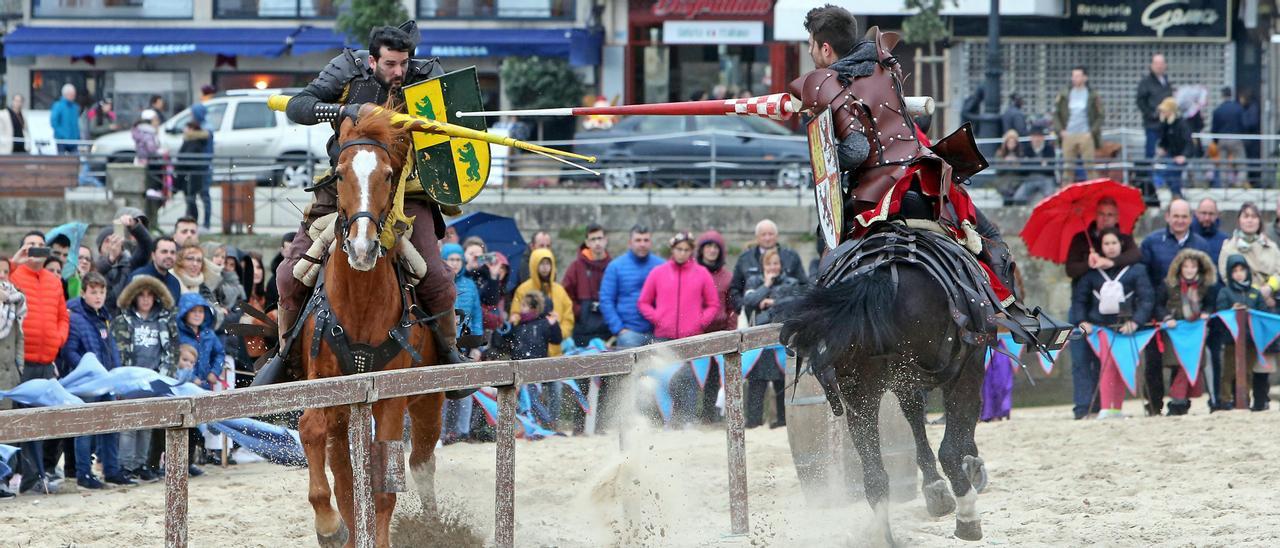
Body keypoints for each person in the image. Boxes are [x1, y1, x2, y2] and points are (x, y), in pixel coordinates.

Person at [793, 5, 1056, 343]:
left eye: (812, 45)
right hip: (927, 180)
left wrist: (825, 162)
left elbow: (857, 150)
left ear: (825, 48)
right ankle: (1013, 311)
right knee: (988, 236)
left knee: (827, 243)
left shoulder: (829, 82)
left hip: (877, 197)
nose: (812, 54)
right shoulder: (884, 63)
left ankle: (822, 330)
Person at [272, 22, 468, 386]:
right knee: (288, 276)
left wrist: (434, 124)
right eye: (391, 64)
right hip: (344, 189)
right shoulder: (347, 69)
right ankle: (287, 357)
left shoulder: (427, 78)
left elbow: (457, 126)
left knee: (438, 279)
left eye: (403, 63)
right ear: (373, 59)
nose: (399, 72)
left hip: (407, 194)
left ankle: (448, 355)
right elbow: (298, 106)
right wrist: (345, 111)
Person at [60, 272, 134, 488]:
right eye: (93, 292)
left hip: (108, 380)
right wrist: (87, 369)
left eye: (102, 292)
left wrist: (116, 373)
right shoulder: (75, 317)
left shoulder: (105, 316)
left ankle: (111, 469)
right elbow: (69, 351)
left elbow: (111, 349)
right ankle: (84, 473)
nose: (98, 296)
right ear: (83, 293)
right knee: (85, 428)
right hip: (87, 384)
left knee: (111, 425)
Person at [9, 232, 70, 494]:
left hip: (47, 360)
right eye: (30, 245)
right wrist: (15, 262)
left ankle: (44, 472)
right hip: (22, 362)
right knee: (23, 422)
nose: (35, 249)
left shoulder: (53, 281)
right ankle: (30, 478)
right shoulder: (13, 275)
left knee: (49, 420)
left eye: (39, 245)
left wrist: (58, 338)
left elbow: (62, 316)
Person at [638, 232, 719, 425]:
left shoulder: (702, 274)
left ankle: (687, 420)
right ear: (672, 250)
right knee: (661, 378)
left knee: (689, 379)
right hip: (663, 337)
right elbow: (644, 302)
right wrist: (658, 318)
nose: (682, 253)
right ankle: (662, 419)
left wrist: (700, 322)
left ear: (691, 251)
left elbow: (713, 304)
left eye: (686, 250)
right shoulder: (658, 273)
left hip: (691, 338)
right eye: (678, 249)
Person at [1139, 198, 1211, 415]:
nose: (1180, 220)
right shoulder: (1151, 242)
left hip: (1189, 315)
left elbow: (1208, 281)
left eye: (1184, 216)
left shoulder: (1200, 244)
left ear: (1190, 218)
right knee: (1154, 362)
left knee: (1183, 361)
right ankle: (1154, 405)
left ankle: (1179, 404)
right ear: (1167, 217)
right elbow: (1144, 277)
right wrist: (1153, 309)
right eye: (1176, 216)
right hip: (1157, 311)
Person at [1073, 228, 1154, 419]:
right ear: (1100, 247)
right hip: (1101, 328)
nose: (1110, 247)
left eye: (1114, 243)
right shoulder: (1091, 274)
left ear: (1121, 245)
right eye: (1106, 244)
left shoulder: (1137, 270)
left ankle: (1116, 408)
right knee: (1107, 365)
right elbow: (1079, 300)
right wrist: (1082, 321)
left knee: (1120, 366)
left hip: (1127, 328)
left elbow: (1147, 299)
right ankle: (1106, 407)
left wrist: (1136, 322)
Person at [111, 275, 177, 481]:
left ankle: (141, 465)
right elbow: (117, 353)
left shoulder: (164, 321)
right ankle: (126, 466)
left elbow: (171, 351)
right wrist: (119, 384)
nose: (146, 299)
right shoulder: (123, 321)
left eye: (150, 295)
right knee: (128, 426)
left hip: (154, 381)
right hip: (130, 380)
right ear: (134, 297)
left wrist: (164, 380)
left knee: (147, 426)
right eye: (141, 295)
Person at [510, 247, 574, 428]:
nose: (545, 268)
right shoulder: (523, 289)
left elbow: (568, 318)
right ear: (534, 265)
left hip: (555, 349)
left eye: (548, 264)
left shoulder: (560, 291)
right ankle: (534, 422)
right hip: (529, 354)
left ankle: (551, 421)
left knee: (556, 386)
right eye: (541, 264)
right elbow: (515, 316)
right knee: (529, 390)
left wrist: (560, 331)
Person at [741, 249, 801, 428]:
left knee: (781, 382)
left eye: (776, 263)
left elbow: (794, 302)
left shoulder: (791, 282)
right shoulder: (754, 281)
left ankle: (783, 421)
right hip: (758, 344)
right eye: (769, 264)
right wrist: (766, 286)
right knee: (756, 384)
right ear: (763, 266)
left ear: (781, 265)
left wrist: (772, 303)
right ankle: (753, 421)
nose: (773, 267)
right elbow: (749, 301)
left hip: (780, 342)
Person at [1156, 249, 1215, 416]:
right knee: (1178, 365)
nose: (1189, 270)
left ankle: (1181, 401)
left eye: (1193, 266)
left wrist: (1206, 313)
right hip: (1175, 331)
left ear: (1199, 268)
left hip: (1196, 332)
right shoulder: (1169, 284)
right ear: (1179, 268)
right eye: (1186, 266)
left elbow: (1210, 304)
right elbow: (1158, 305)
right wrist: (1166, 318)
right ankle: (1178, 401)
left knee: (1192, 365)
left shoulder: (1205, 285)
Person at [1215, 254, 1271, 411]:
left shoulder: (1255, 292)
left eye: (1242, 269)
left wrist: (1251, 312)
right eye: (1235, 271)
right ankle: (1225, 400)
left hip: (1251, 340)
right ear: (1230, 274)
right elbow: (1220, 313)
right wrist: (1231, 311)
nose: (1239, 273)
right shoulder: (1225, 293)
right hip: (1231, 340)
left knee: (1246, 372)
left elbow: (1263, 313)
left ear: (1247, 271)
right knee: (1229, 372)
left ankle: (1243, 399)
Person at [441, 243, 483, 444]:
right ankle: (440, 433)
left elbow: (477, 318)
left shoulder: (470, 286)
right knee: (441, 390)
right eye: (451, 259)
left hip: (463, 344)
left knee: (466, 387)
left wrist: (476, 345)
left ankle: (462, 431)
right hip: (442, 344)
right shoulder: (437, 283)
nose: (455, 264)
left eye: (458, 260)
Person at [599, 225, 664, 349]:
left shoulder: (661, 266)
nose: (642, 244)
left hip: (658, 333)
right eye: (638, 240)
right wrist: (619, 329)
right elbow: (606, 300)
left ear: (651, 242)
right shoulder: (615, 267)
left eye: (646, 240)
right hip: (628, 333)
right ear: (630, 243)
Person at [729, 219, 805, 314]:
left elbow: (803, 287)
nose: (767, 238)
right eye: (763, 234)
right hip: (753, 316)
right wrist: (743, 309)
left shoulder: (791, 256)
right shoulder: (745, 258)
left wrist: (776, 303)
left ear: (777, 236)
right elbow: (735, 289)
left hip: (784, 314)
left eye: (771, 234)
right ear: (757, 237)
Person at [561, 224, 613, 346]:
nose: (597, 243)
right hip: (582, 331)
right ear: (587, 242)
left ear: (606, 240)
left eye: (600, 238)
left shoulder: (613, 266)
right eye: (593, 239)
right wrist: (580, 311)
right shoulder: (576, 266)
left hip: (608, 330)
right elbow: (565, 296)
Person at [95, 213, 154, 315]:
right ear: (100, 250)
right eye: (107, 241)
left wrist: (134, 226)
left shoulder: (130, 264)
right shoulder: (95, 267)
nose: (112, 243)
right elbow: (96, 273)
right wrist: (111, 259)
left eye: (115, 239)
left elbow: (146, 245)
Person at [1054, 66, 1104, 183]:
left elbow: (1100, 115)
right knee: (1068, 169)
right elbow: (1055, 113)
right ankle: (1066, 194)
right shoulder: (1064, 94)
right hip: (1068, 134)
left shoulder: (1092, 94)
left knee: (1090, 167)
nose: (1074, 78)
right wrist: (1061, 130)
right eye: (1073, 76)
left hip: (1085, 134)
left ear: (1085, 78)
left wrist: (1091, 132)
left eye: (1078, 76)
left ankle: (1094, 193)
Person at [177, 292, 225, 391]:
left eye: (201, 311)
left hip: (206, 385)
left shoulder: (209, 334)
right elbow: (174, 361)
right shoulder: (178, 335)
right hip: (183, 385)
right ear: (184, 313)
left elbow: (220, 353)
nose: (197, 315)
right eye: (193, 311)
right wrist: (192, 378)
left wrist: (215, 372)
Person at [174, 244, 224, 328]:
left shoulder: (202, 286)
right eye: (190, 259)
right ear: (180, 261)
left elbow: (217, 314)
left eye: (199, 260)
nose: (195, 264)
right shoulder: (172, 281)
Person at [1136, 54, 1173, 169]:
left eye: (1161, 63)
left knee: (1168, 152)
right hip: (1153, 124)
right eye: (1156, 63)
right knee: (1151, 153)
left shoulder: (1166, 82)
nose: (1159, 66)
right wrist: (1152, 114)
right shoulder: (1146, 82)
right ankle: (1150, 182)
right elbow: (1140, 101)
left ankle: (1165, 181)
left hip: (1167, 124)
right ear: (1151, 65)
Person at [0, 258, 26, 411]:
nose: (2, 275)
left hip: (9, 379)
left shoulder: (15, 302)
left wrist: (18, 369)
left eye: (6, 272)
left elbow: (19, 339)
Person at [178, 119, 212, 229]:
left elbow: (186, 157)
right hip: (192, 174)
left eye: (186, 128)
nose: (184, 130)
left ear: (192, 129)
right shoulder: (192, 140)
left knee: (193, 199)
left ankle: (195, 222)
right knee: (191, 200)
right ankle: (191, 222)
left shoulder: (194, 142)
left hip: (194, 175)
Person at [1155, 98, 1192, 198]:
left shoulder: (1182, 124)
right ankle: (1176, 195)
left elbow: (1188, 142)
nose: (1162, 112)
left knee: (1172, 172)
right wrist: (1161, 147)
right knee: (1160, 171)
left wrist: (1184, 156)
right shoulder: (1165, 124)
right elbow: (1164, 140)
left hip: (1180, 155)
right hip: (1170, 155)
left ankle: (1177, 196)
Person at [1210, 87, 1246, 188]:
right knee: (1241, 163)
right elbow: (1243, 124)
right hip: (1235, 138)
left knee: (1223, 165)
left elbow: (1214, 128)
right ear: (1231, 95)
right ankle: (1239, 184)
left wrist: (1216, 141)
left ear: (1222, 96)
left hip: (1222, 139)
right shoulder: (1238, 108)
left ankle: (1224, 186)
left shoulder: (1218, 110)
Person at [130, 236, 181, 304]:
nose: (169, 256)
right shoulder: (138, 278)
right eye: (164, 252)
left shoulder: (175, 283)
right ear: (153, 255)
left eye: (172, 252)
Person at [50, 84, 81, 155]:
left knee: (75, 160)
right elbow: (54, 122)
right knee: (62, 161)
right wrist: (62, 134)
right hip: (62, 140)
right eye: (72, 94)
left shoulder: (75, 107)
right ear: (66, 94)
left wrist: (78, 136)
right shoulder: (58, 106)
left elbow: (76, 123)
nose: (74, 96)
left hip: (74, 140)